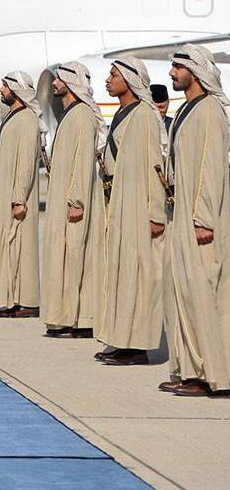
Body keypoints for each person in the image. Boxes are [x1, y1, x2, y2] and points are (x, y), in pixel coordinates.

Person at [160, 44, 230, 397]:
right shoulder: (189, 108)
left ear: (195, 71)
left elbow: (209, 167)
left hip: (201, 222)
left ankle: (212, 375)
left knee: (204, 294)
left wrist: (203, 218)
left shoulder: (210, 111)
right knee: (183, 294)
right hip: (182, 216)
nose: (171, 73)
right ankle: (190, 369)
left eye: (177, 68)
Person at [96, 56, 166, 365]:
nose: (108, 80)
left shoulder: (145, 115)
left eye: (113, 75)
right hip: (119, 202)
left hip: (138, 204)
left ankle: (138, 346)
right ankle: (122, 339)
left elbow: (154, 165)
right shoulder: (123, 113)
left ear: (129, 78)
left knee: (138, 275)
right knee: (122, 273)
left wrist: (155, 213)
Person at [40, 62, 105, 339]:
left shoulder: (81, 116)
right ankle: (65, 317)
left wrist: (76, 199)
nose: (54, 84)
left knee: (78, 260)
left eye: (59, 79)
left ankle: (81, 319)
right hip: (62, 201)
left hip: (73, 204)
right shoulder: (71, 114)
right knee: (64, 260)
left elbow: (82, 161)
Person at [0, 72, 42, 318]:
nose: (1, 90)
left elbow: (27, 162)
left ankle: (27, 301)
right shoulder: (13, 117)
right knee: (10, 249)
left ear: (17, 90)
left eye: (5, 86)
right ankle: (12, 298)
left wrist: (19, 197)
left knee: (22, 249)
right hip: (7, 193)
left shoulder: (27, 119)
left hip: (18, 197)